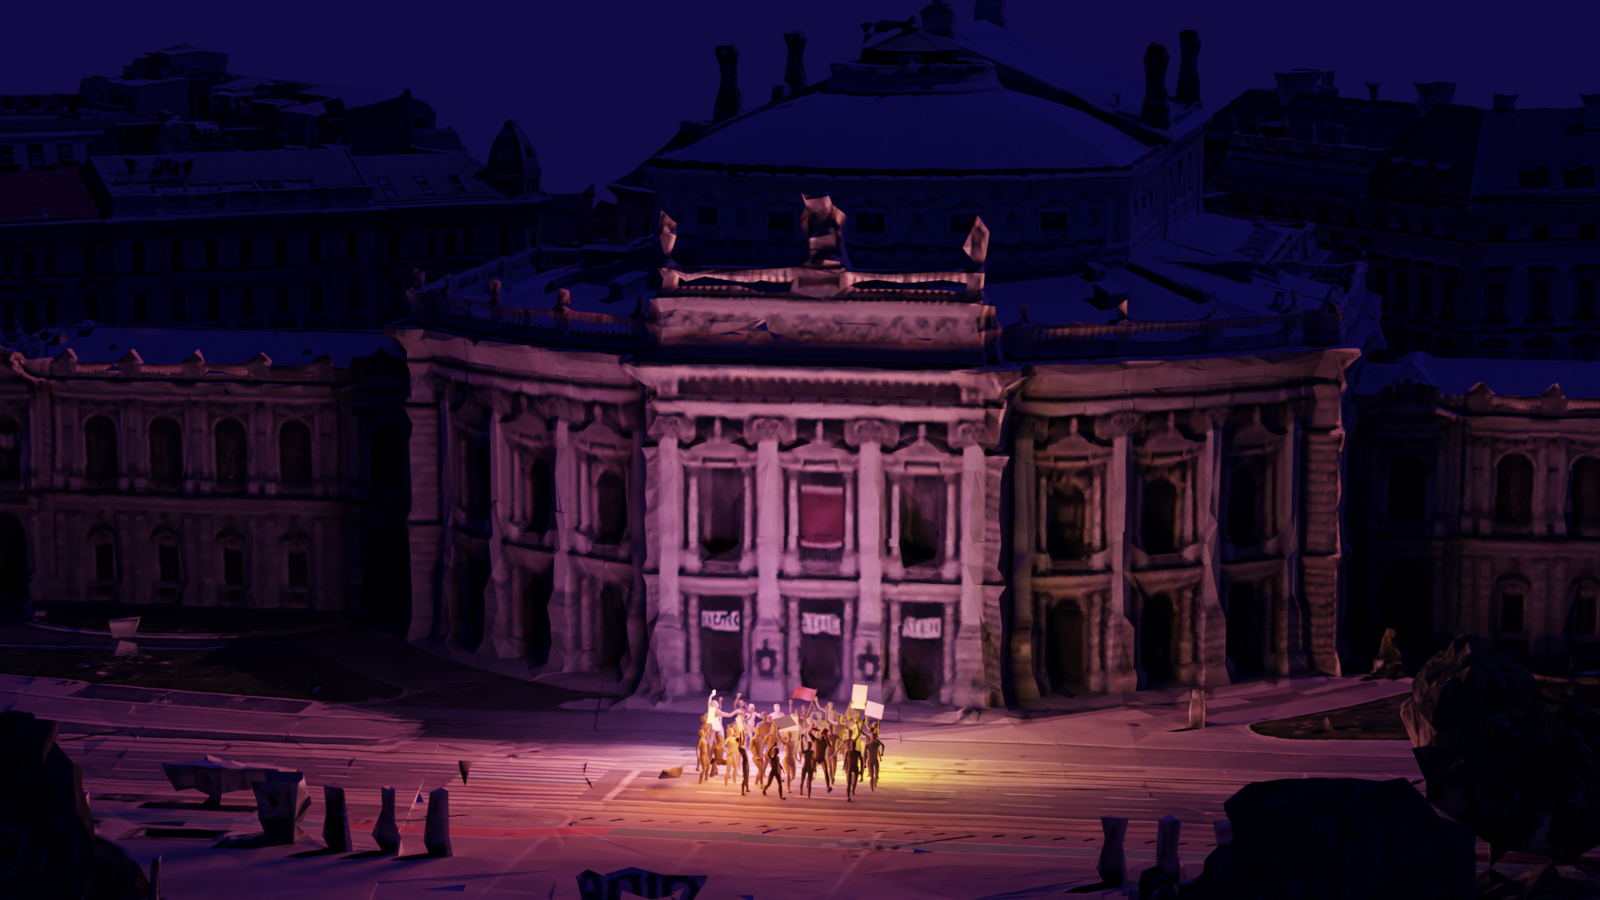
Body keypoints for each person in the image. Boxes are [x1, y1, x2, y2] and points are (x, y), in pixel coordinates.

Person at [799, 734, 818, 799]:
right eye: (808, 745)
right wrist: (801, 739)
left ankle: (809, 795)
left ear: (811, 746)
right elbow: (801, 747)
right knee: (802, 780)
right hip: (805, 767)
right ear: (807, 746)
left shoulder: (812, 752)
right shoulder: (805, 751)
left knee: (809, 782)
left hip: (810, 767)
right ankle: (801, 791)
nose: (809, 746)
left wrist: (814, 768)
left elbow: (813, 760)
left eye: (810, 745)